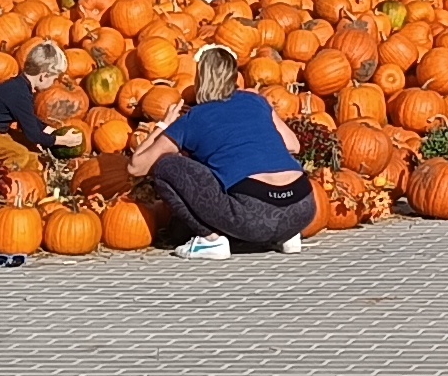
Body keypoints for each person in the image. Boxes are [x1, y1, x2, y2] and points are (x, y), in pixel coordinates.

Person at [127, 46, 315, 253]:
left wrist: (164, 125)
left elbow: (136, 166)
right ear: (234, 76)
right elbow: (293, 145)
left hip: (254, 217)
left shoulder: (193, 118)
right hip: (302, 208)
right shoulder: (256, 101)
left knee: (166, 167)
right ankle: (287, 236)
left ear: (201, 79)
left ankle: (211, 242)